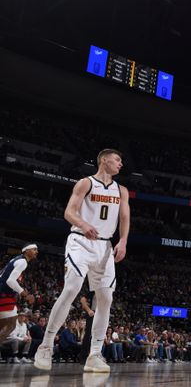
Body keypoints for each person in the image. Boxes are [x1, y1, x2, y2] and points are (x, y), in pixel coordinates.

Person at [34, 148, 131, 373]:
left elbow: (125, 217)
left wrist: (123, 241)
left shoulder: (122, 190)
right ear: (104, 160)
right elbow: (69, 212)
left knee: (106, 298)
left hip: (105, 245)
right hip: (80, 240)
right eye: (117, 159)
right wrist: (84, 224)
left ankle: (94, 355)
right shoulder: (85, 183)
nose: (121, 164)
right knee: (72, 287)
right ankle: (46, 346)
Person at [0, 244, 38, 343]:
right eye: (34, 249)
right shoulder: (23, 262)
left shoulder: (16, 259)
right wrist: (25, 294)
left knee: (4, 325)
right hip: (4, 293)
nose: (36, 252)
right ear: (26, 251)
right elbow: (10, 281)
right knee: (11, 325)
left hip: (4, 292)